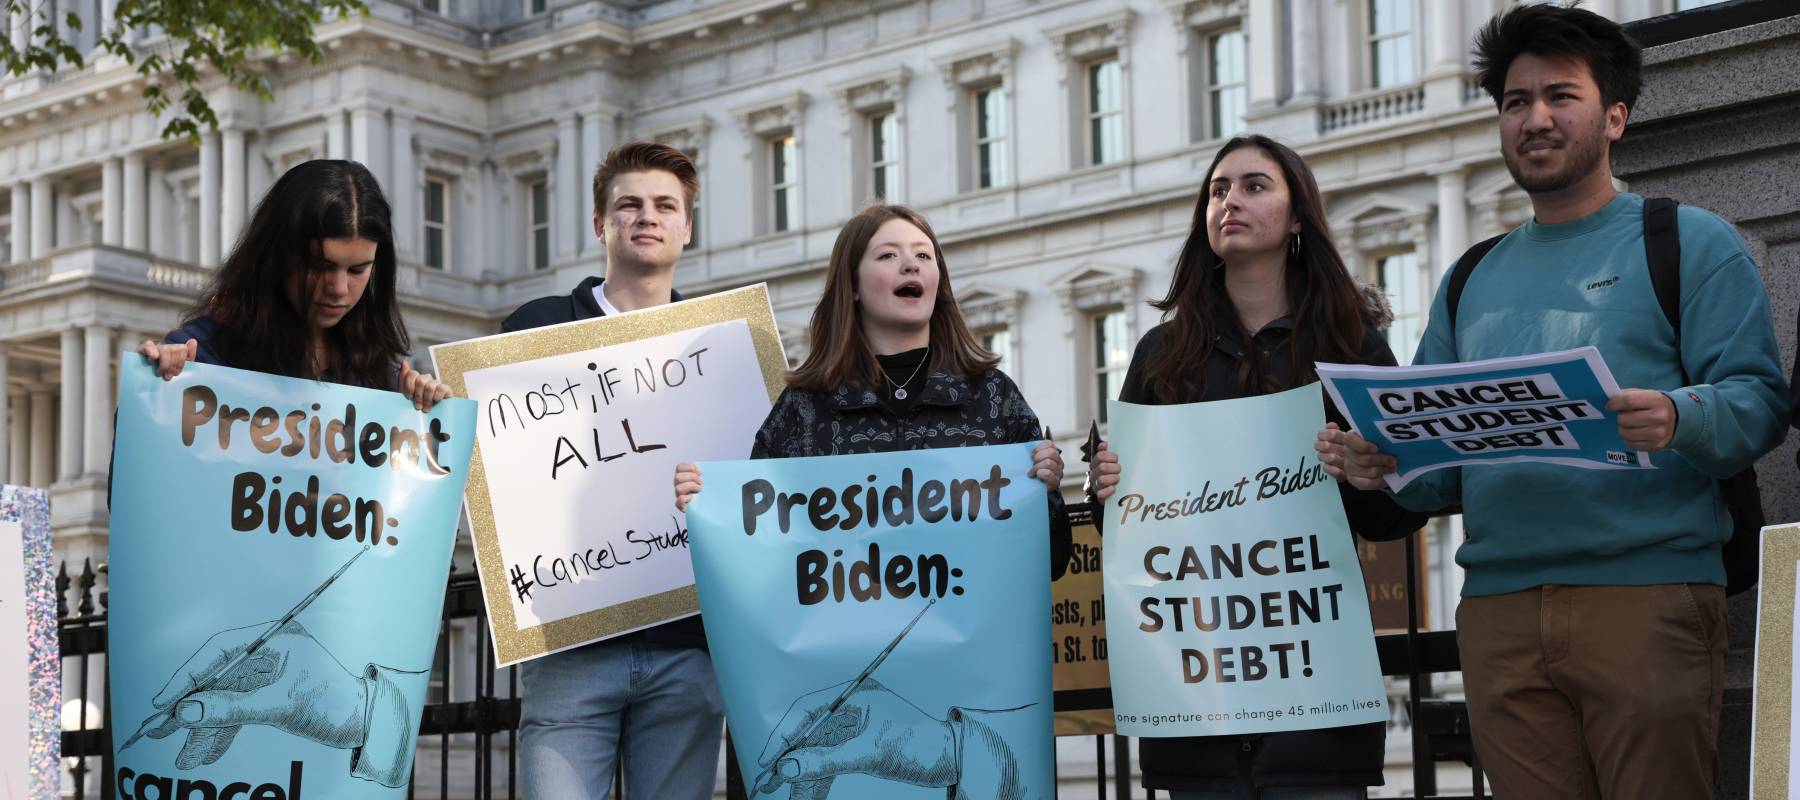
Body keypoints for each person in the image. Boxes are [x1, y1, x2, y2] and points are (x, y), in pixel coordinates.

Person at [1316, 6, 1788, 798]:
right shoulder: (1469, 277)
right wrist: (1379, 464)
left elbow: (1760, 402)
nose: (1534, 118)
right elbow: (1438, 473)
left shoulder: (1691, 242)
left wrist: (1680, 417)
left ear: (1615, 116)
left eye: (1559, 96)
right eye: (1513, 101)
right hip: (1498, 609)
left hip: (1647, 596)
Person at [673, 203, 1072, 796]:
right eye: (888, 256)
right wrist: (709, 507)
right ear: (853, 287)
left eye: (924, 256)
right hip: (839, 700)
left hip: (961, 702)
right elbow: (759, 562)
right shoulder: (805, 409)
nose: (911, 265)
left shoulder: (991, 396)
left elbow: (1051, 559)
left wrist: (1046, 491)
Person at [1087, 134, 1424, 799]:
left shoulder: (1350, 345)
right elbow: (1129, 534)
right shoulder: (1161, 354)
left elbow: (1397, 511)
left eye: (1254, 186)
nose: (1230, 201)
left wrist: (1365, 472)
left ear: (1298, 216)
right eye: (1218, 190)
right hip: (1196, 708)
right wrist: (1109, 492)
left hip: (1315, 709)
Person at [501, 141, 722, 800]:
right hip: (570, 644)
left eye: (664, 206)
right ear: (600, 225)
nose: (645, 217)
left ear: (687, 226)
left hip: (688, 646)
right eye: (628, 205)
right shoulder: (532, 330)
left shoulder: (721, 346)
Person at [137, 158, 447, 409]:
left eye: (357, 270)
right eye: (320, 266)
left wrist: (422, 414)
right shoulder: (207, 354)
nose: (339, 288)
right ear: (276, 255)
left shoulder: (381, 374)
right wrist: (161, 381)